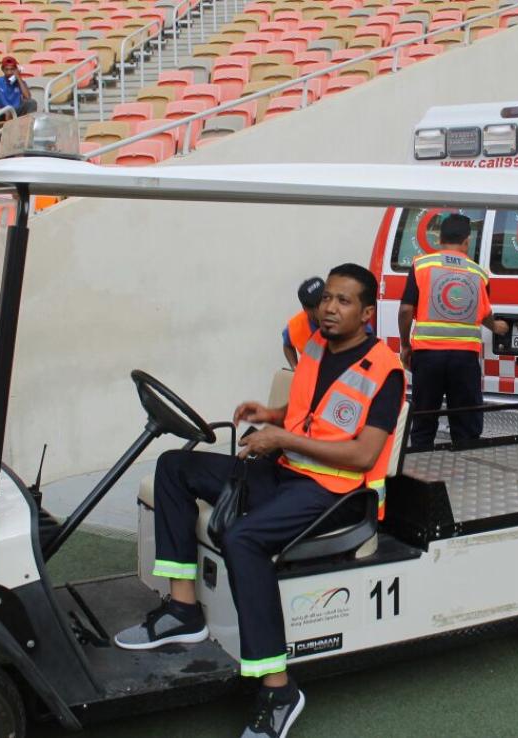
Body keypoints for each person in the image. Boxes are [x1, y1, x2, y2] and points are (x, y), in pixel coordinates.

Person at [114, 263, 404, 738]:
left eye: (344, 301)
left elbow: (362, 453)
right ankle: (183, 611)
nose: (330, 308)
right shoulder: (315, 345)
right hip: (287, 473)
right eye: (328, 297)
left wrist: (281, 437)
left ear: (367, 312)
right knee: (174, 466)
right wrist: (272, 414)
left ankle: (279, 688)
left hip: (337, 494)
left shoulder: (385, 371)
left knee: (243, 538)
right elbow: (312, 411)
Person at [398, 213, 508, 448]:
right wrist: (496, 326)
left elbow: (406, 310)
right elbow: (484, 313)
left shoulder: (421, 265)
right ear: (467, 241)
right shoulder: (478, 273)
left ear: (439, 239)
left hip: (427, 356)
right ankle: (466, 467)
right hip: (464, 358)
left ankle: (422, 462)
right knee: (466, 419)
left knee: (424, 417)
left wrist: (405, 345)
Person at [281, 276, 324, 370]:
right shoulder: (295, 327)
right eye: (317, 305)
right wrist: (295, 367)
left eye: (326, 298)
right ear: (306, 309)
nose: (325, 307)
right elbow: (287, 345)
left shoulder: (346, 314)